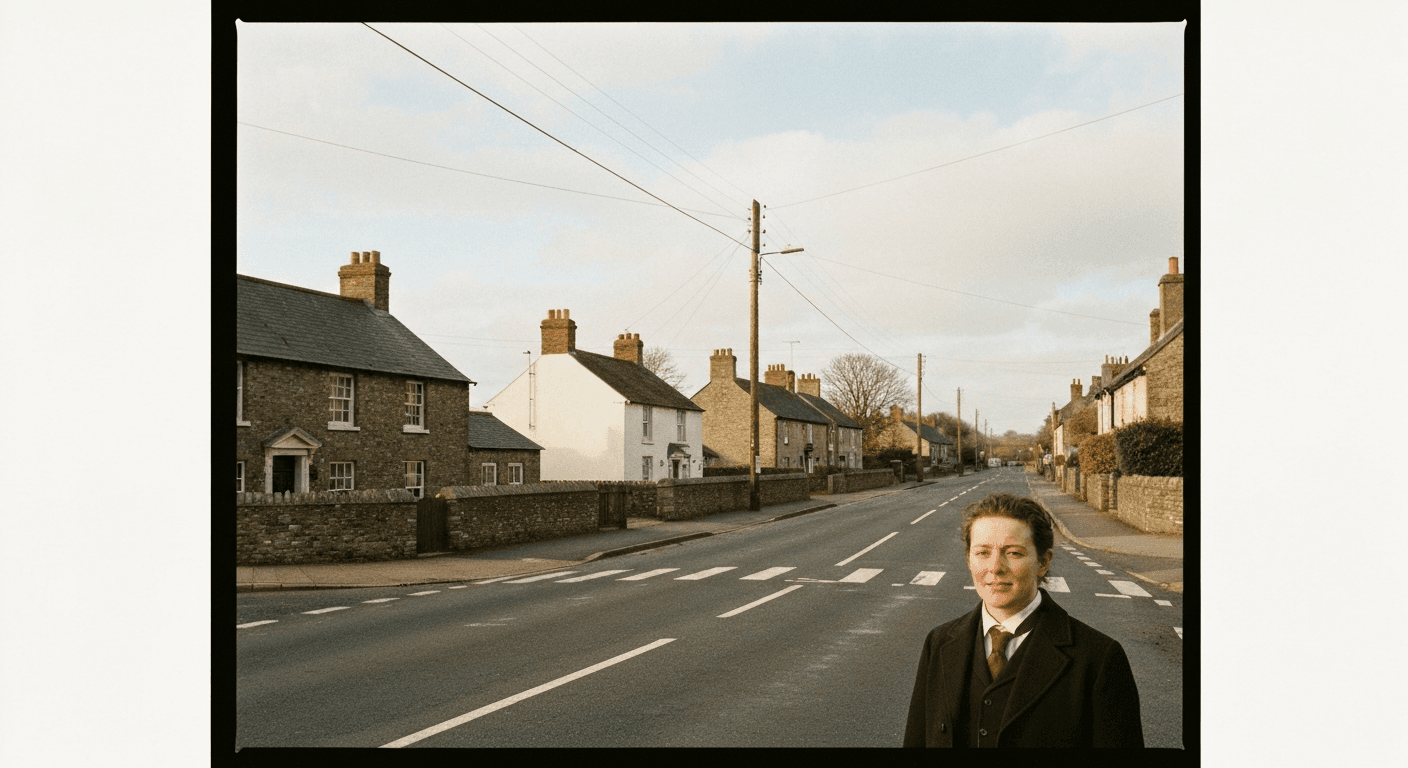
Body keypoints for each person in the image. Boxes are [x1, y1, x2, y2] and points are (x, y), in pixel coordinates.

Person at [902, 492, 1144, 748]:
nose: (995, 567)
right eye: (983, 552)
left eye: (1014, 553)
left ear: (1043, 562)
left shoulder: (1099, 658)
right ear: (968, 558)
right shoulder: (938, 644)